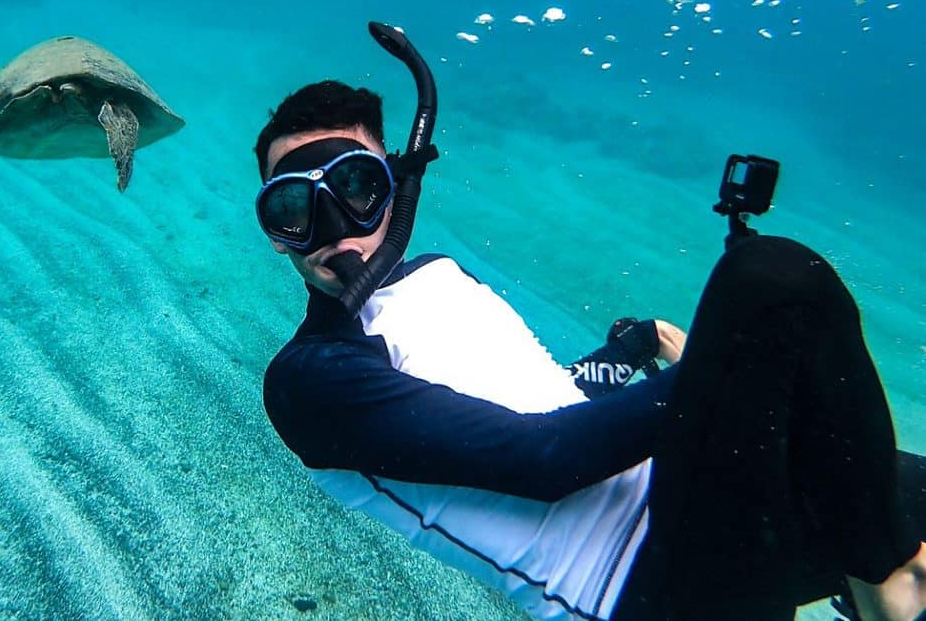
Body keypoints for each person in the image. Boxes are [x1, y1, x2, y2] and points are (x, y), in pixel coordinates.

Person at [254, 79, 926, 621]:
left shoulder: (439, 274)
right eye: (294, 208)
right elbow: (544, 457)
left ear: (394, 186)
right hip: (646, 587)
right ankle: (884, 584)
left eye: (354, 187)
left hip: (699, 500)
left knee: (904, 481)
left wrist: (635, 346)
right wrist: (720, 369)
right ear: (276, 235)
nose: (334, 228)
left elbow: (555, 402)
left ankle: (881, 566)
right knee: (770, 279)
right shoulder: (311, 378)